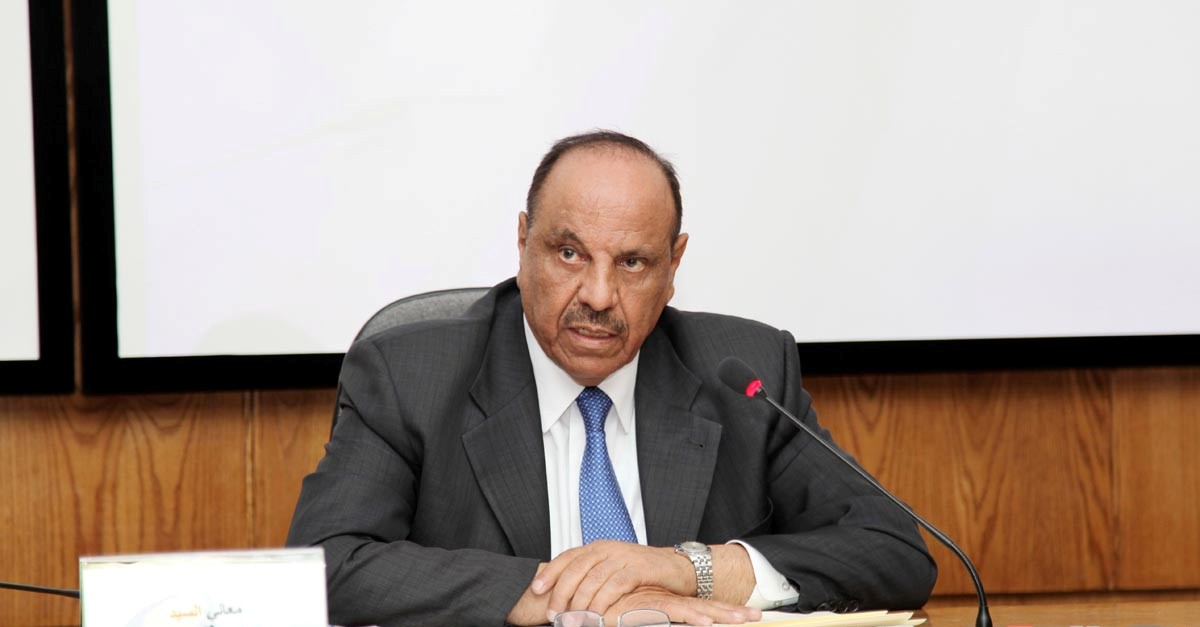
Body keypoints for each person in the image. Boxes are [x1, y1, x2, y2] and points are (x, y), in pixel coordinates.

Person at [287, 131, 936, 626]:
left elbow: (892, 551)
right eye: (569, 253)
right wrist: (556, 593)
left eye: (632, 263)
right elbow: (325, 564)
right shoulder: (411, 375)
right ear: (523, 242)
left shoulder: (743, 372)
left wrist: (690, 569)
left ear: (674, 265)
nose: (598, 295)